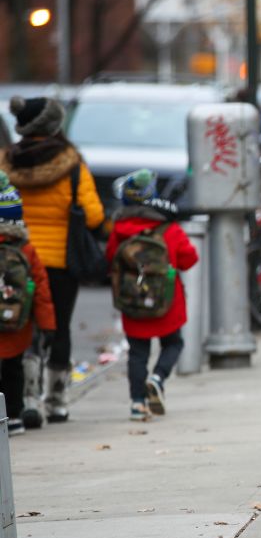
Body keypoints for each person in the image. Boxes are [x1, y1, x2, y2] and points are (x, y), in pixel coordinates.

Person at [1, 96, 105, 424]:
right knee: (57, 327)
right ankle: (57, 399)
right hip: (62, 261)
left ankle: (27, 396)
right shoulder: (72, 163)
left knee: (22, 326)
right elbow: (93, 215)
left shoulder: (7, 163)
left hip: (15, 258)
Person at [105, 170, 198, 422]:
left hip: (132, 300)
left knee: (137, 353)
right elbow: (190, 259)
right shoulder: (168, 227)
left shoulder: (119, 229)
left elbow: (110, 258)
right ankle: (158, 377)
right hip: (167, 301)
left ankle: (137, 403)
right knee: (173, 343)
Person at [0, 174, 55, 435]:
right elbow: (41, 290)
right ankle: (14, 416)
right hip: (17, 325)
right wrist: (48, 325)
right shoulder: (26, 250)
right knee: (14, 369)